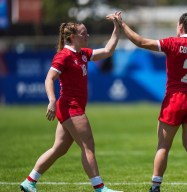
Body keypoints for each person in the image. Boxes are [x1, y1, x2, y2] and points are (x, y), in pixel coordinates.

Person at [109, 11, 187, 192]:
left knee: (163, 146)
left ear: (181, 26)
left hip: (175, 99)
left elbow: (140, 42)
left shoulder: (172, 43)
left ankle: (155, 186)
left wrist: (122, 25)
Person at [20, 12, 122, 192]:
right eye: (84, 33)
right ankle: (99, 188)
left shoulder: (82, 53)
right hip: (70, 107)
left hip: (72, 108)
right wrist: (52, 100)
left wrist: (117, 27)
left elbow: (107, 51)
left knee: (59, 149)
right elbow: (49, 79)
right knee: (88, 145)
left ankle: (29, 181)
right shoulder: (64, 56)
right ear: (73, 37)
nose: (87, 36)